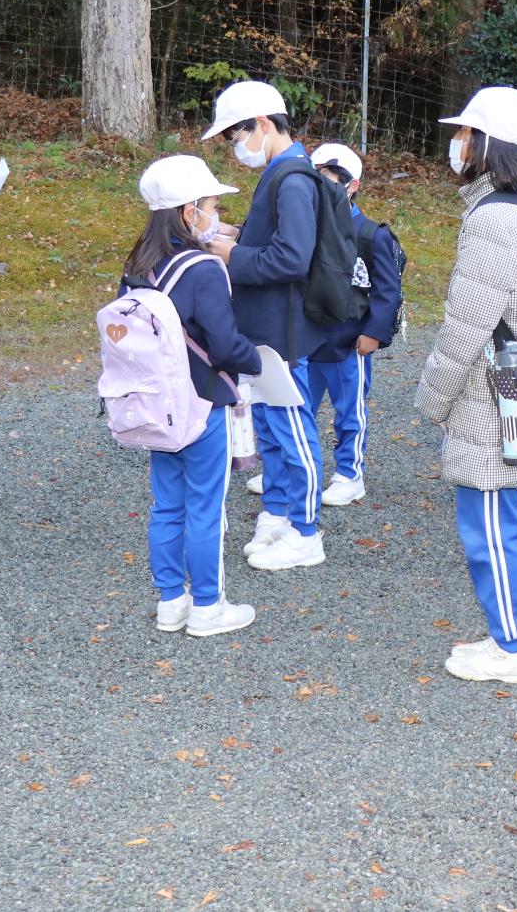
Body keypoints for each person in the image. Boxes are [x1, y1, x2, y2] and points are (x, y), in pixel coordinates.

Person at [417, 87, 517, 684]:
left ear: (487, 144)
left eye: (467, 134)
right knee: (497, 518)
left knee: (489, 523)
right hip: (505, 383)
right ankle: (511, 631)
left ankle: (513, 645)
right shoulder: (516, 203)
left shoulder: (496, 215)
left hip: (487, 390)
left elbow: (467, 323)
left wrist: (433, 396)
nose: (458, 144)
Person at [121, 156, 266, 638]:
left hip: (154, 405)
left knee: (167, 504)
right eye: (210, 205)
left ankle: (170, 601)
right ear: (187, 212)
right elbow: (225, 344)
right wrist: (257, 359)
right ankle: (208, 605)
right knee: (206, 505)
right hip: (202, 402)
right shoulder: (203, 268)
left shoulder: (140, 259)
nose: (216, 214)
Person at [202, 80, 326, 573]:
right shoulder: (282, 172)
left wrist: (232, 254)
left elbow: (293, 258)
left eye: (236, 135)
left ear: (264, 125)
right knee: (273, 427)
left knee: (293, 427)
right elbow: (276, 241)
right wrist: (236, 236)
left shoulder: (293, 179)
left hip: (285, 330)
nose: (236, 147)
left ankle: (307, 530)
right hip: (269, 328)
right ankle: (278, 512)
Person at [302, 142, 405, 509]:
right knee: (297, 408)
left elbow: (387, 291)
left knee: (349, 413)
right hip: (306, 340)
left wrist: (373, 333)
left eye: (330, 181)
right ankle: (292, 467)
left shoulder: (371, 234)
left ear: (353, 185)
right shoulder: (304, 229)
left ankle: (349, 473)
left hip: (349, 342)